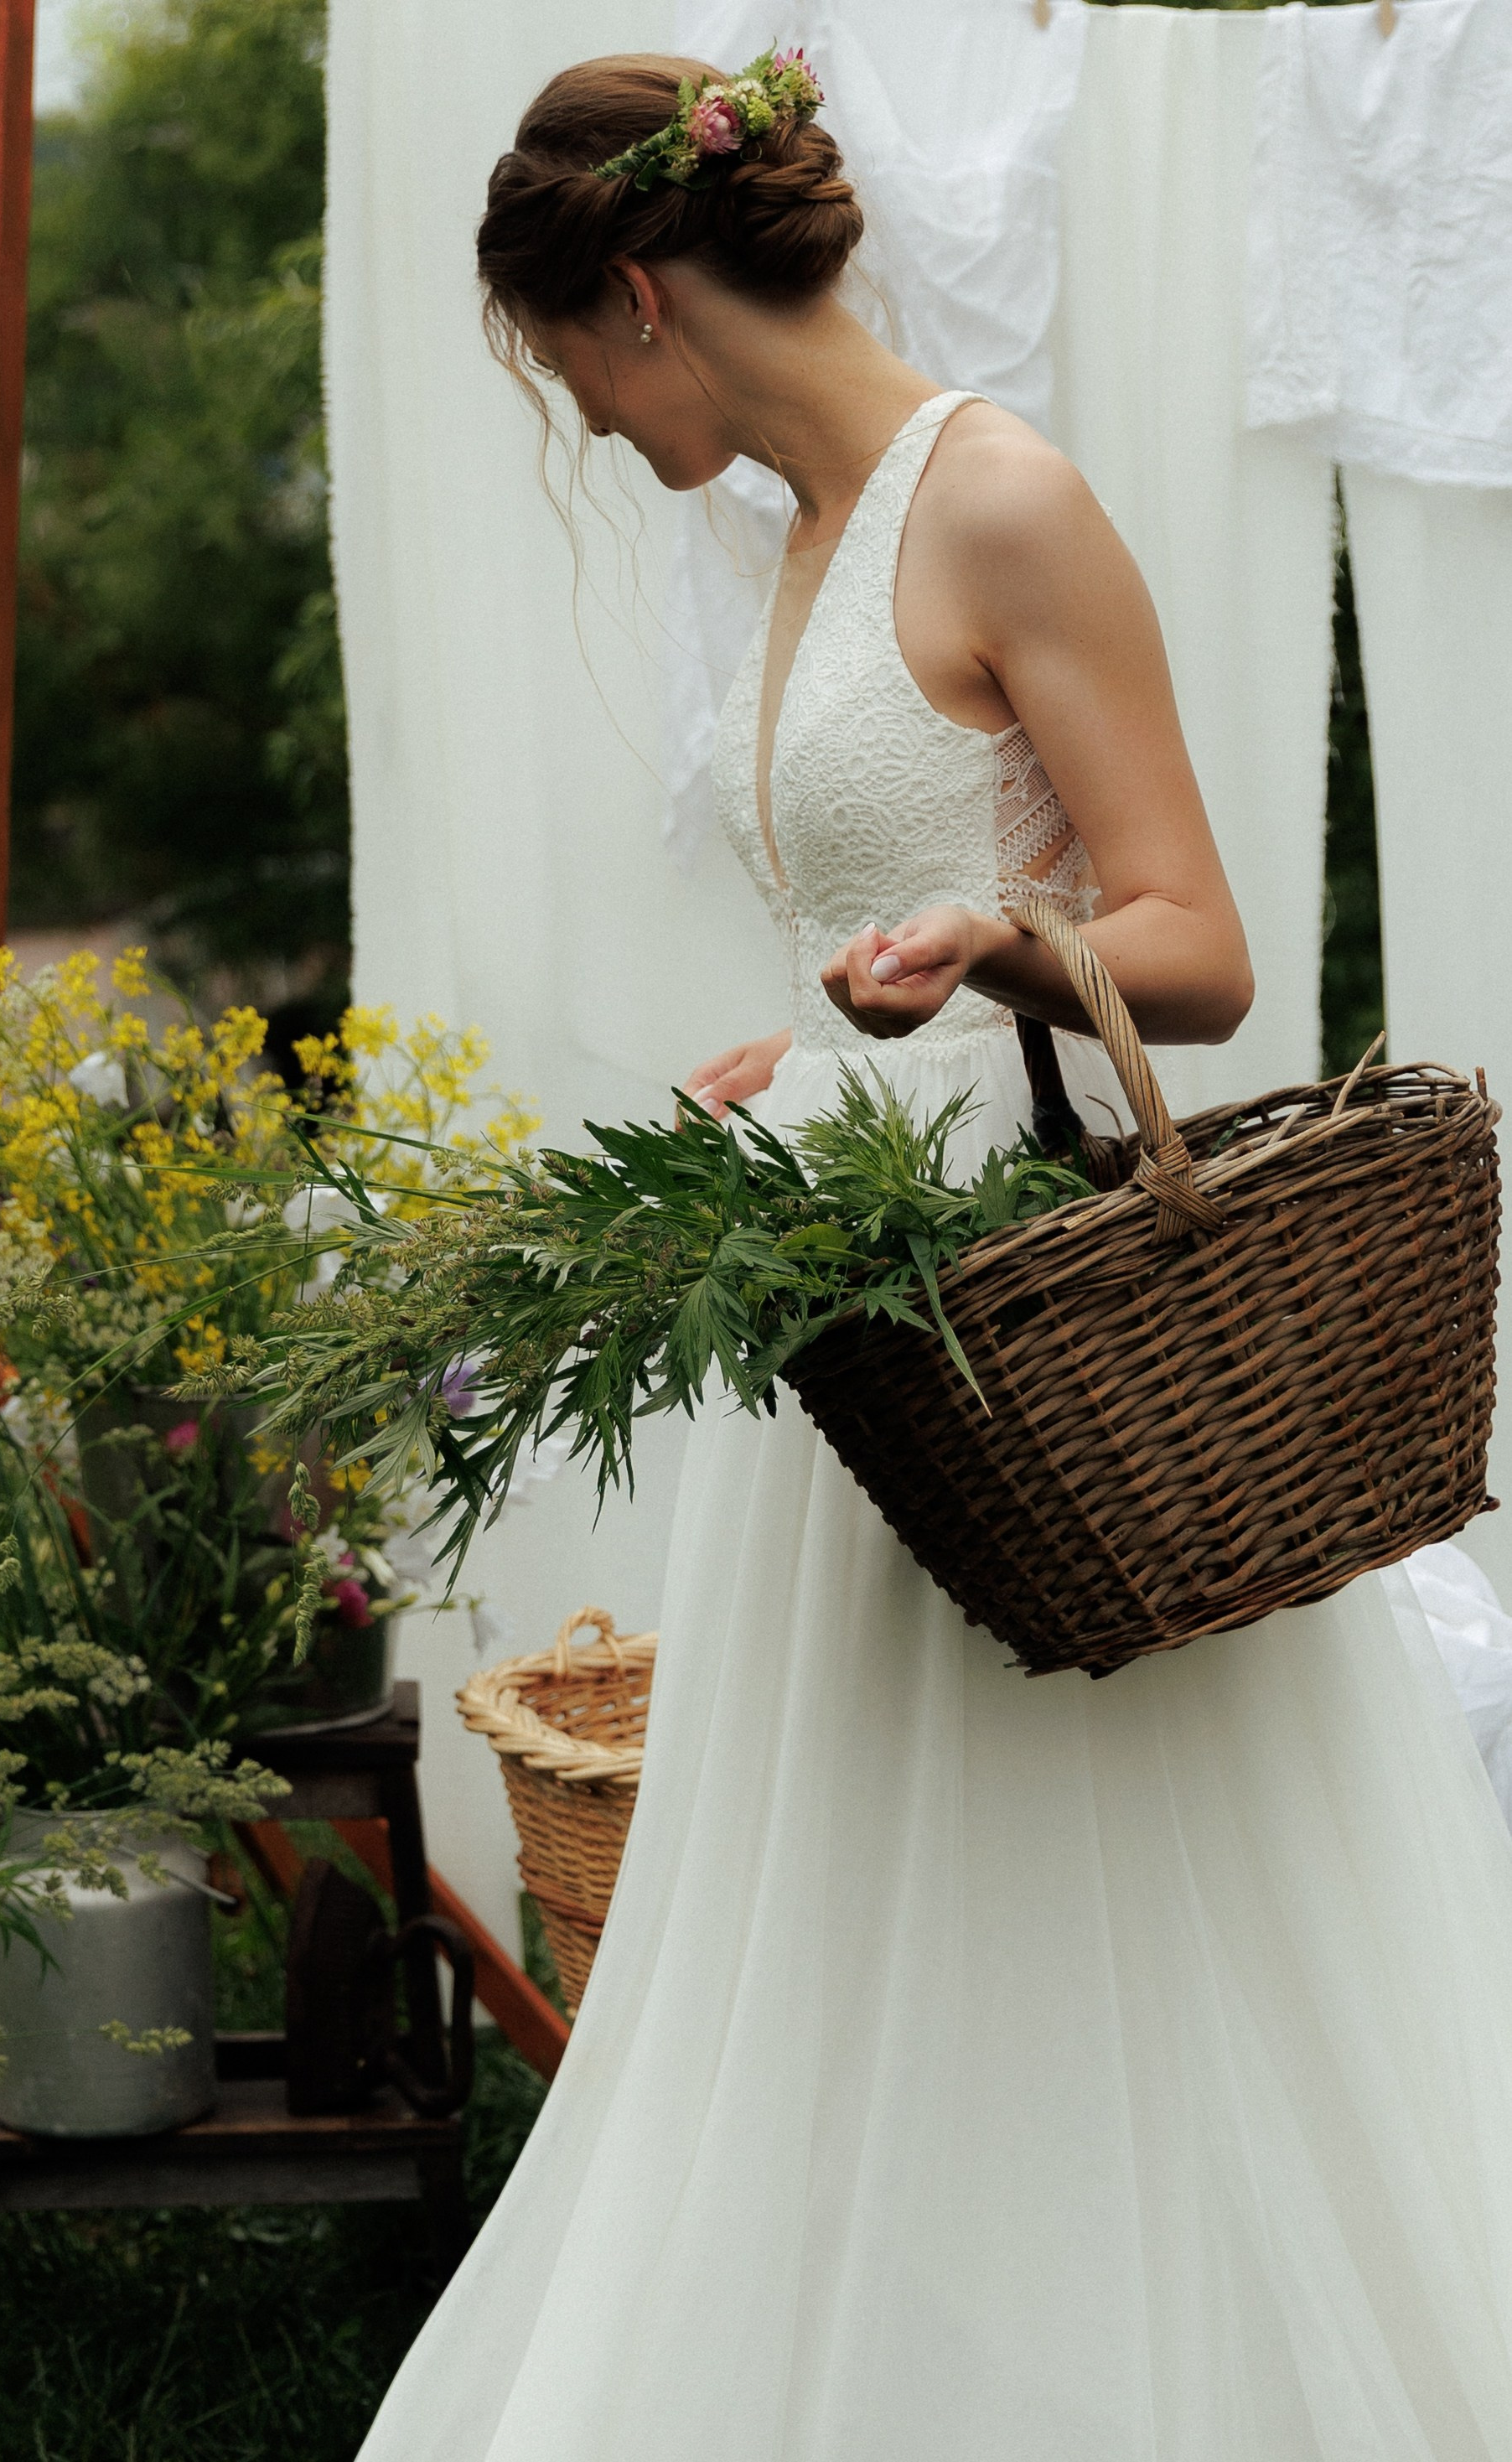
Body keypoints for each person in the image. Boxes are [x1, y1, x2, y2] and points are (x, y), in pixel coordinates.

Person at [357, 52, 1512, 2460]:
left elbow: (1182, 941)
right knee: (878, 1925)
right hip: (857, 1340)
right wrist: (802, 1053)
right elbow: (883, 926)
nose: (579, 416)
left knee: (1100, 1883)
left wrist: (996, 949)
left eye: (566, 363)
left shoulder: (995, 498)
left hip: (1025, 1351)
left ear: (641, 298)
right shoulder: (809, 528)